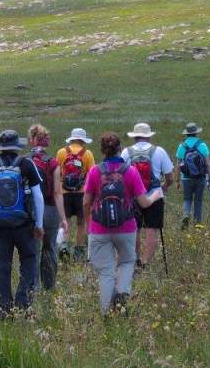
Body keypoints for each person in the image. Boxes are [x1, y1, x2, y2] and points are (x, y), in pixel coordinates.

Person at [83, 132, 163, 315]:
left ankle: (106, 312)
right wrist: (155, 195)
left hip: (99, 229)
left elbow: (86, 202)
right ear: (120, 149)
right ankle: (122, 295)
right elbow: (144, 203)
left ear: (102, 150)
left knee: (106, 271)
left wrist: (89, 224)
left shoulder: (95, 171)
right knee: (127, 262)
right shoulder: (130, 171)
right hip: (126, 227)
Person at [0, 130, 45, 319]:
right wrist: (39, 224)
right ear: (17, 146)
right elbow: (38, 196)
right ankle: (23, 303)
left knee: (2, 266)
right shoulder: (26, 164)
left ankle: (4, 310)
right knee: (29, 261)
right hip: (24, 224)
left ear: (0, 147)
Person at [121, 122, 174, 270]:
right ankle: (144, 263)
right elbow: (170, 177)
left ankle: (135, 260)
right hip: (155, 196)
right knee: (152, 230)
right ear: (149, 137)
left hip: (133, 197)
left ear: (134, 137)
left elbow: (121, 176)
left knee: (134, 230)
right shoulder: (159, 151)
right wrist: (164, 187)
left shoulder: (126, 152)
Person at [26, 124, 67, 292]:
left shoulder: (24, 161)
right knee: (50, 248)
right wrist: (63, 217)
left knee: (33, 250)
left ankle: (33, 288)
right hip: (50, 209)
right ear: (46, 141)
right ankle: (49, 287)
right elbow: (57, 192)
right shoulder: (53, 162)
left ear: (32, 140)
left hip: (31, 210)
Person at [55, 128, 95, 262]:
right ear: (83, 140)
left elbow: (57, 173)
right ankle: (79, 252)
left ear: (71, 139)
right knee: (81, 223)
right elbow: (91, 174)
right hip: (81, 193)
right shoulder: (87, 154)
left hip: (64, 193)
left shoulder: (61, 152)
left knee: (65, 222)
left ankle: (64, 247)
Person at [176, 122, 210, 228]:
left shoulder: (182, 146)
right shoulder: (202, 145)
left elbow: (178, 165)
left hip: (186, 178)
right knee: (198, 201)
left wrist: (177, 180)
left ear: (186, 134)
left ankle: (186, 215)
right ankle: (197, 224)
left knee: (187, 199)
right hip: (201, 178)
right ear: (197, 133)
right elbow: (208, 164)